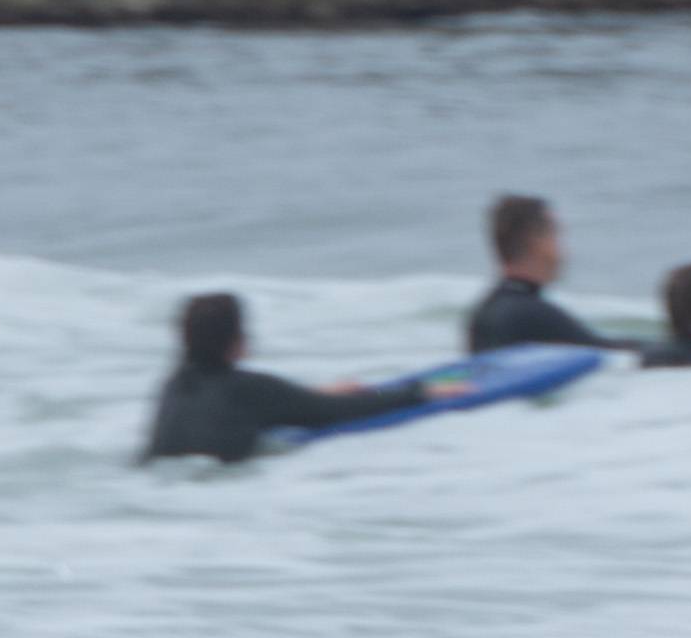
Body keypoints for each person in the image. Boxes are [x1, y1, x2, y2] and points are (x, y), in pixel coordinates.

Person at [140, 292, 449, 464]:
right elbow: (337, 413)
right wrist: (418, 392)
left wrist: (318, 394)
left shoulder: (171, 387)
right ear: (236, 343)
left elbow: (243, 407)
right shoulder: (249, 389)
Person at [463, 193, 636, 355]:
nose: (563, 251)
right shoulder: (529, 314)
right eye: (555, 235)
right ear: (536, 242)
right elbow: (603, 352)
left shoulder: (482, 315)